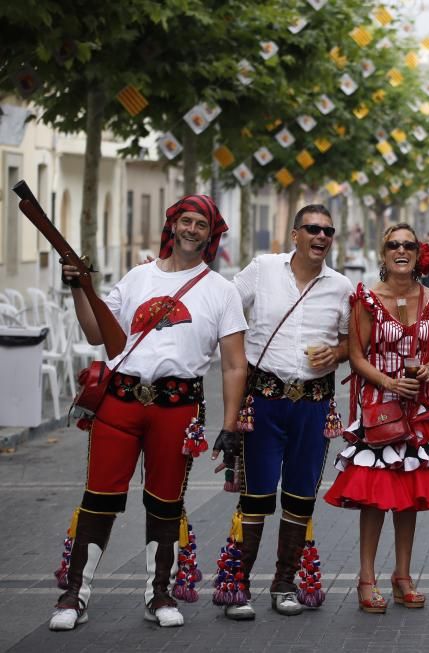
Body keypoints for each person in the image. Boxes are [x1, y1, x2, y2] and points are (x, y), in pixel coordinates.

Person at [50, 195, 247, 631]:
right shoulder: (138, 277)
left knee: (165, 504)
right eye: (186, 221)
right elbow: (95, 330)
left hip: (177, 409)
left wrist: (231, 426)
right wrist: (79, 287)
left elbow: (235, 364)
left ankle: (159, 594)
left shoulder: (221, 291)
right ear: (172, 227)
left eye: (202, 225)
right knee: (98, 499)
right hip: (119, 403)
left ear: (211, 235)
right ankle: (74, 595)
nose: (193, 230)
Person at [215, 204, 353, 621]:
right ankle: (237, 586)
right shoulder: (262, 269)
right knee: (255, 496)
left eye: (328, 231)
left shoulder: (342, 287)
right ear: (294, 234)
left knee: (300, 497)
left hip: (313, 405)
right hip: (265, 402)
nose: (321, 236)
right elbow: (223, 304)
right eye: (312, 229)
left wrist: (339, 351)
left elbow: (352, 344)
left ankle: (284, 583)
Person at [324, 223, 429, 614]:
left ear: (418, 252)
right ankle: (366, 577)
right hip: (378, 407)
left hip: (417, 411)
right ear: (383, 253)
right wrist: (389, 381)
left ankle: (402, 574)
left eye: (408, 245)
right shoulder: (367, 298)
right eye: (393, 245)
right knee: (373, 496)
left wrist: (426, 371)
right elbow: (356, 356)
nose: (400, 250)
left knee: (410, 497)